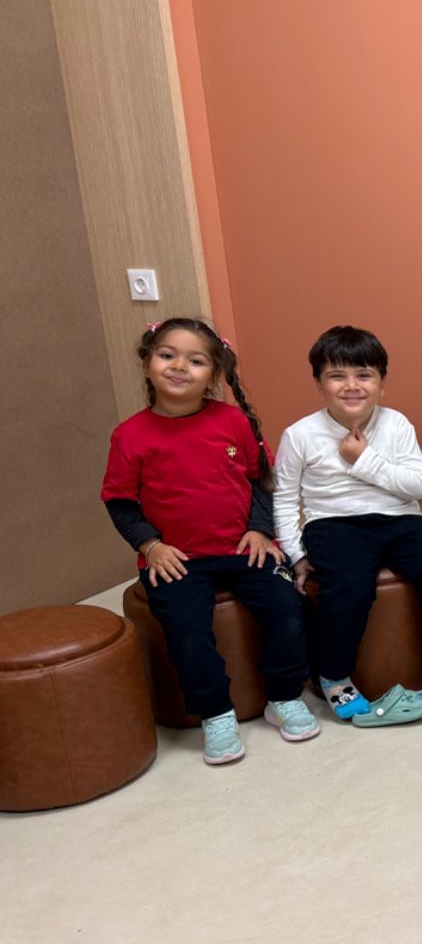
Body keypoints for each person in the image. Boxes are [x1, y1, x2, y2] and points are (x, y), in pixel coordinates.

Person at [101, 317, 315, 765]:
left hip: (243, 548)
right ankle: (216, 713)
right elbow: (120, 504)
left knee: (286, 606)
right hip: (178, 559)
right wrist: (150, 546)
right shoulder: (129, 435)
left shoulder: (232, 421)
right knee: (187, 629)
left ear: (214, 374)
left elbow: (262, 480)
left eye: (195, 360)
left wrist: (261, 529)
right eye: (167, 355)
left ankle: (284, 696)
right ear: (147, 363)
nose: (180, 366)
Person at [273, 326, 422, 730]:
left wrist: (364, 459)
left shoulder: (396, 424)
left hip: (401, 518)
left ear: (382, 384)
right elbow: (282, 499)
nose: (352, 385)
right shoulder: (299, 435)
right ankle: (334, 676)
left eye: (364, 375)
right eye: (337, 376)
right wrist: (296, 555)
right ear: (318, 383)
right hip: (333, 524)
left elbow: (416, 486)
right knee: (348, 585)